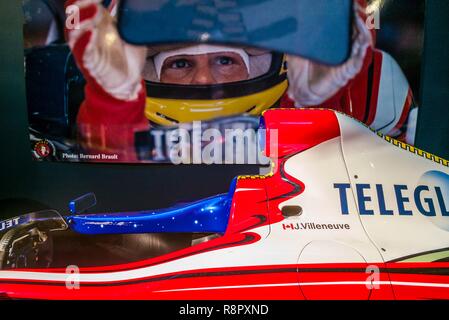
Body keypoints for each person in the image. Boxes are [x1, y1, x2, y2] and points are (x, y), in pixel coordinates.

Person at [65, 0, 418, 162]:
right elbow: (110, 183)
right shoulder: (106, 95)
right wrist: (112, 99)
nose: (203, 78)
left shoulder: (370, 87)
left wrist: (313, 108)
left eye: (225, 60)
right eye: (181, 62)